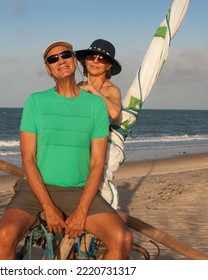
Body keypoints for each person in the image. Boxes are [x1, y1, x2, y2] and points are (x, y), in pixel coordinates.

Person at [0, 41, 133, 260]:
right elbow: (28, 158)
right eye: (53, 59)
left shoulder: (96, 104)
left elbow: (97, 162)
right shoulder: (35, 101)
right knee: (4, 234)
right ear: (48, 69)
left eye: (65, 55)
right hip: (36, 189)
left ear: (75, 60)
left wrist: (82, 210)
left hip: (79, 191)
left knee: (122, 239)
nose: (60, 61)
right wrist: (48, 207)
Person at [75, 39, 125, 210]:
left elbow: (115, 113)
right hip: (75, 147)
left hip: (96, 150)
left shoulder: (112, 90)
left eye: (102, 58)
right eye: (92, 56)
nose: (96, 61)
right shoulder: (76, 87)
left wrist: (93, 91)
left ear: (108, 65)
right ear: (84, 60)